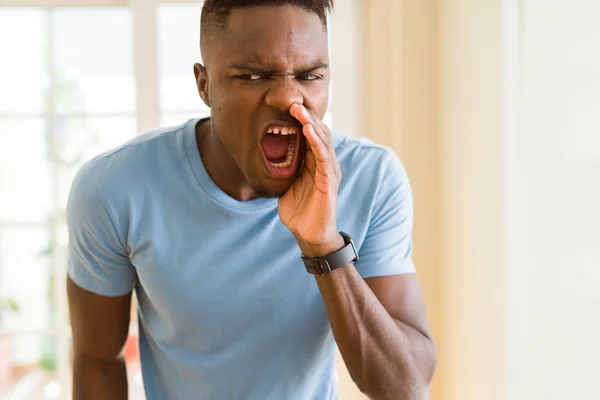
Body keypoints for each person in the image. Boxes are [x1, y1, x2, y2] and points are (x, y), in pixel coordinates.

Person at [66, 0, 436, 399]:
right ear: (204, 85)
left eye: (310, 75)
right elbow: (98, 359)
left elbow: (405, 387)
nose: (288, 99)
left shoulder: (372, 179)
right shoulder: (115, 187)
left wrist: (323, 245)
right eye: (253, 76)